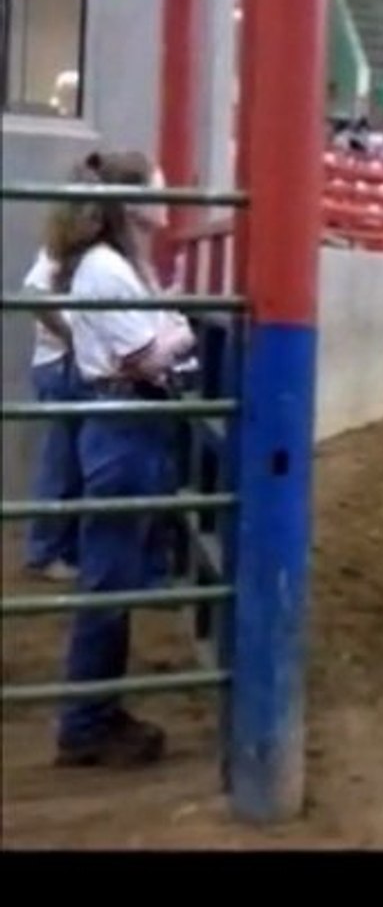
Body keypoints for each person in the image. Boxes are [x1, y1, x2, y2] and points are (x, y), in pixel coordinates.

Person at [48, 150, 196, 768]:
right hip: (124, 421)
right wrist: (183, 330)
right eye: (157, 189)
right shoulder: (108, 270)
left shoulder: (113, 266)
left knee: (112, 579)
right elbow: (149, 356)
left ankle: (96, 713)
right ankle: (86, 721)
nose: (167, 198)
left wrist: (168, 328)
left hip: (125, 422)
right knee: (107, 583)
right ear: (130, 203)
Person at [19, 244, 81, 580]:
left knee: (67, 463)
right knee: (59, 463)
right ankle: (45, 552)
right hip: (59, 364)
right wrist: (72, 336)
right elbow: (33, 292)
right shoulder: (60, 248)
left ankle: (57, 549)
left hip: (63, 363)